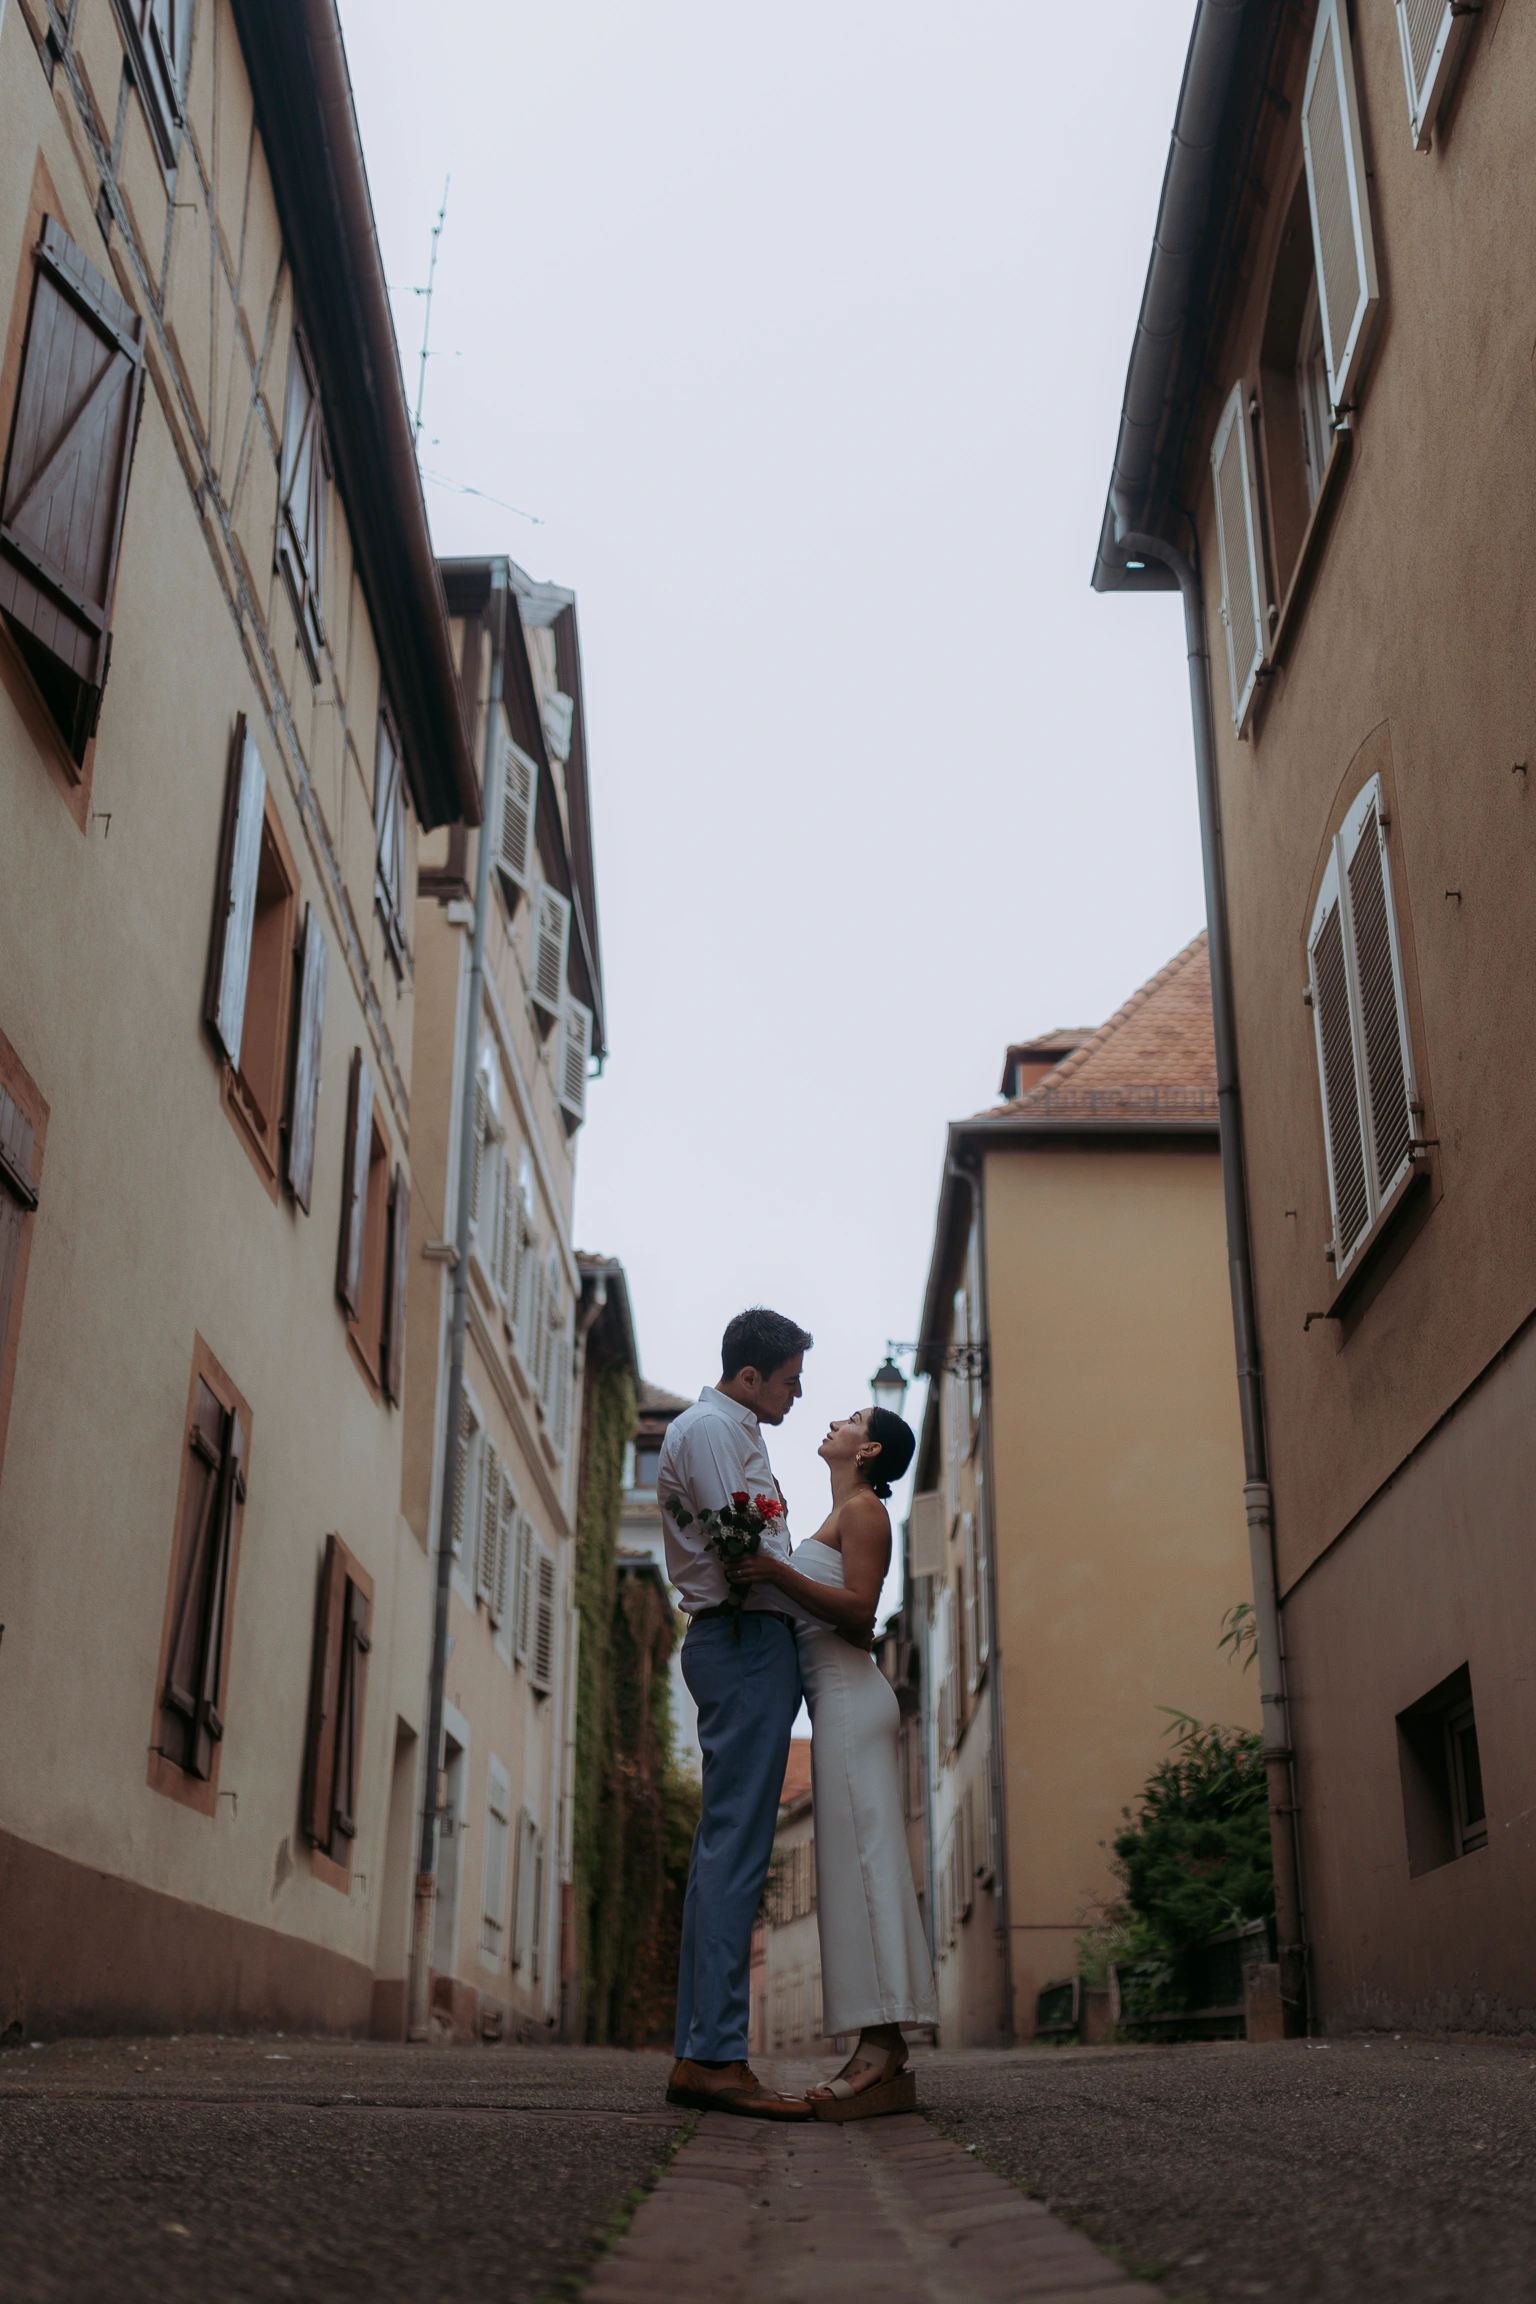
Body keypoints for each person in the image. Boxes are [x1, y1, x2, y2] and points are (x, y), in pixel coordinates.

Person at [726, 1403, 937, 2120]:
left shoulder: (866, 1513)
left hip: (850, 1705)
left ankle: (882, 2051)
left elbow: (858, 1613)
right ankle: (881, 2046)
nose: (833, 1421)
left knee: (864, 1871)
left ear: (868, 1447)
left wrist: (774, 1574)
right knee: (853, 1871)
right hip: (838, 1708)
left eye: (849, 1417)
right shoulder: (842, 1510)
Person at [660, 1306, 817, 2120]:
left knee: (724, 1849)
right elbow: (743, 1556)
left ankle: (704, 2050)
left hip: (741, 1640)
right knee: (735, 1853)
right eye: (789, 1379)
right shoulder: (715, 1432)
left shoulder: (729, 1432)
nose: (798, 1394)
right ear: (749, 1375)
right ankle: (716, 2055)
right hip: (745, 1638)